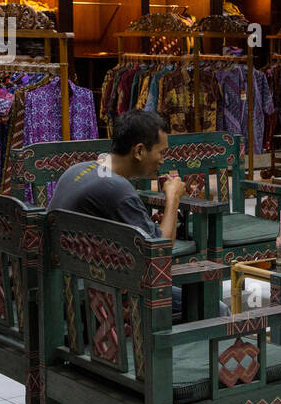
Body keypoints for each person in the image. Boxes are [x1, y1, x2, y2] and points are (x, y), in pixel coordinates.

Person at [48, 110, 189, 311]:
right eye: (161, 152)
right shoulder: (118, 190)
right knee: (213, 308)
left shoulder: (78, 169)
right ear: (139, 151)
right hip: (92, 297)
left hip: (64, 284)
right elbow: (160, 252)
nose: (163, 160)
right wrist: (173, 199)